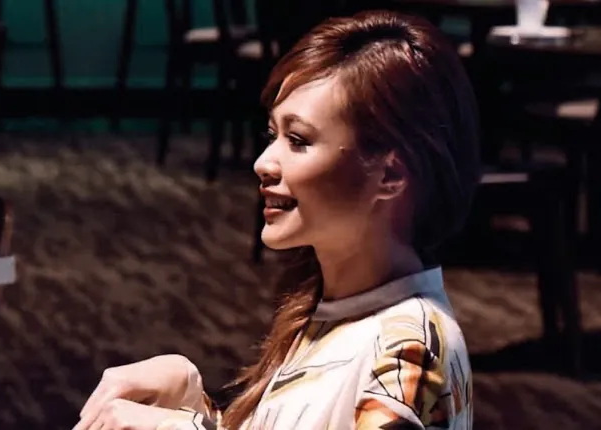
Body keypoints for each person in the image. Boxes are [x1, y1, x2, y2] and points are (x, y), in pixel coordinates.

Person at [73, 11, 478, 430]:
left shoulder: (409, 350)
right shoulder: (334, 311)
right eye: (273, 136)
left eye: (298, 140)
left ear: (390, 174)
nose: (263, 162)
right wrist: (193, 405)